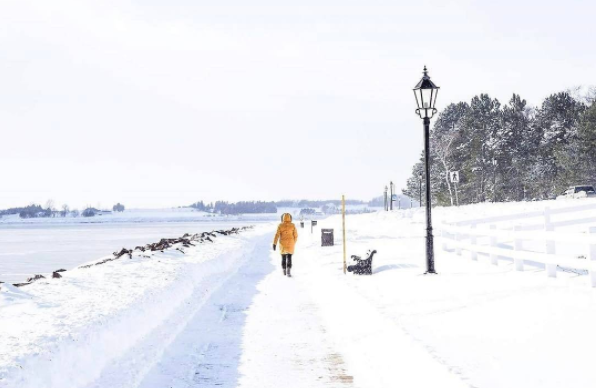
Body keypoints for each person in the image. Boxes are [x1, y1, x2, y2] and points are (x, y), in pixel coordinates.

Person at [273, 213, 298, 277]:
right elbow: (296, 235)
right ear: (290, 218)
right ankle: (288, 270)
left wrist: (274, 243)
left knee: (283, 257)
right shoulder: (293, 225)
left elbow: (277, 235)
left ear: (283, 218)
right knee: (289, 257)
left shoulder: (280, 225)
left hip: (282, 244)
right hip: (290, 243)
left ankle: (284, 269)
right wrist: (293, 242)